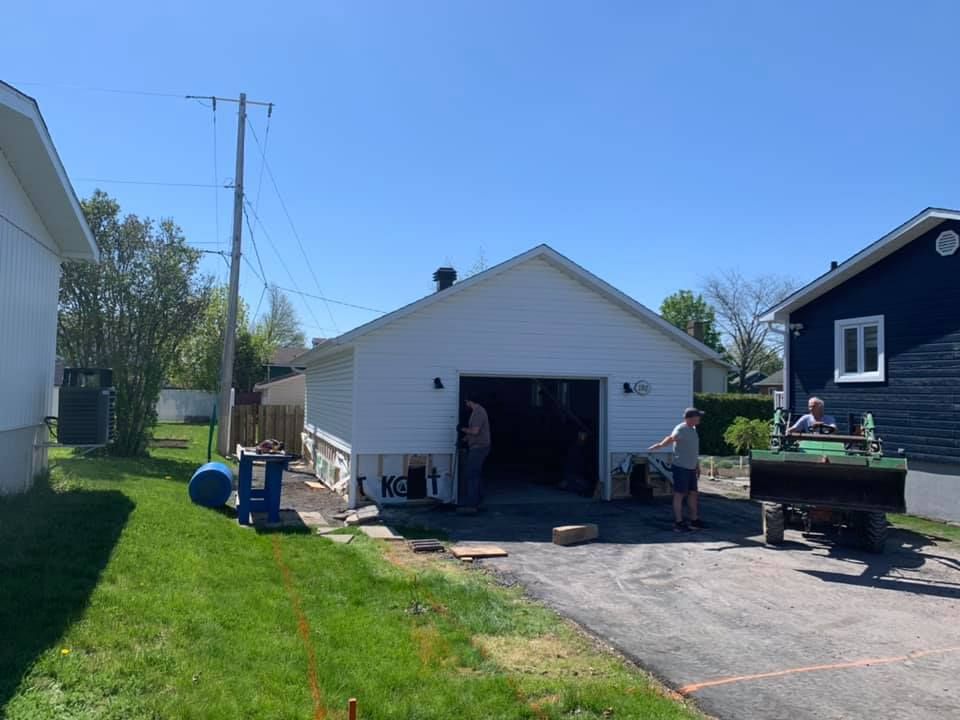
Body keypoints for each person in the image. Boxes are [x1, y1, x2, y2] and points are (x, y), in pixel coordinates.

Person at [648, 408, 705, 532]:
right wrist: (660, 445)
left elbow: (693, 449)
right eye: (698, 416)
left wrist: (697, 465)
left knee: (693, 493)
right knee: (679, 494)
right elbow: (671, 438)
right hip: (681, 467)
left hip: (691, 468)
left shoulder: (693, 429)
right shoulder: (681, 429)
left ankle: (694, 520)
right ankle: (678, 522)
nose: (700, 418)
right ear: (690, 418)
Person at [460, 395, 491, 511]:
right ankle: (479, 498)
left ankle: (472, 502)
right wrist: (463, 440)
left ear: (469, 400)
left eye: (466, 401)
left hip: (479, 447)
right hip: (477, 447)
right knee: (475, 473)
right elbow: (472, 431)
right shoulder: (475, 412)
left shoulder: (478, 412)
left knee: (471, 473)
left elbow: (475, 431)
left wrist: (462, 429)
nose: (465, 404)